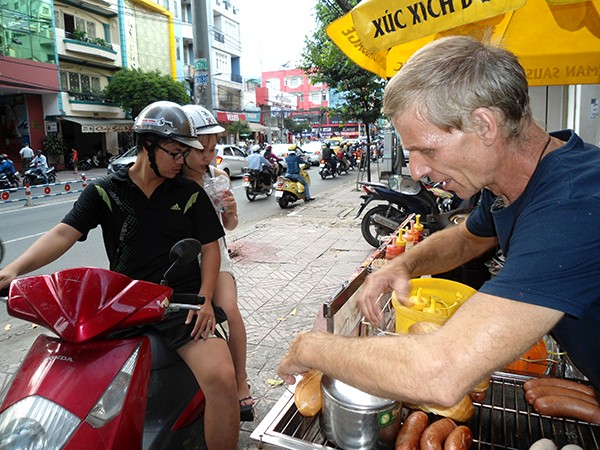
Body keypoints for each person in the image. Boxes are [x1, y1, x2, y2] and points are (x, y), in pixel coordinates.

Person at [277, 36, 600, 406]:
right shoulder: (511, 183)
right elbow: (467, 239)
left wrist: (311, 346)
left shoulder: (573, 204)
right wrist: (404, 265)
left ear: (484, 125)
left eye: (426, 149)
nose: (416, 171)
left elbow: (440, 373)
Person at [0, 101, 239, 450]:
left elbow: (210, 248)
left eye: (182, 153)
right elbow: (64, 233)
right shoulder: (105, 191)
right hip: (123, 302)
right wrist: (13, 269)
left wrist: (204, 300)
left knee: (222, 377)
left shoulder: (188, 194)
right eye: (174, 153)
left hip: (180, 304)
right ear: (147, 147)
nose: (180, 161)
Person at [181, 103, 254, 421]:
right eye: (201, 150)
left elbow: (231, 226)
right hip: (183, 261)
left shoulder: (219, 176)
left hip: (217, 256)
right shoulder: (172, 181)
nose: (208, 157)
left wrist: (229, 209)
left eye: (212, 149)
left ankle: (241, 383)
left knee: (231, 311)